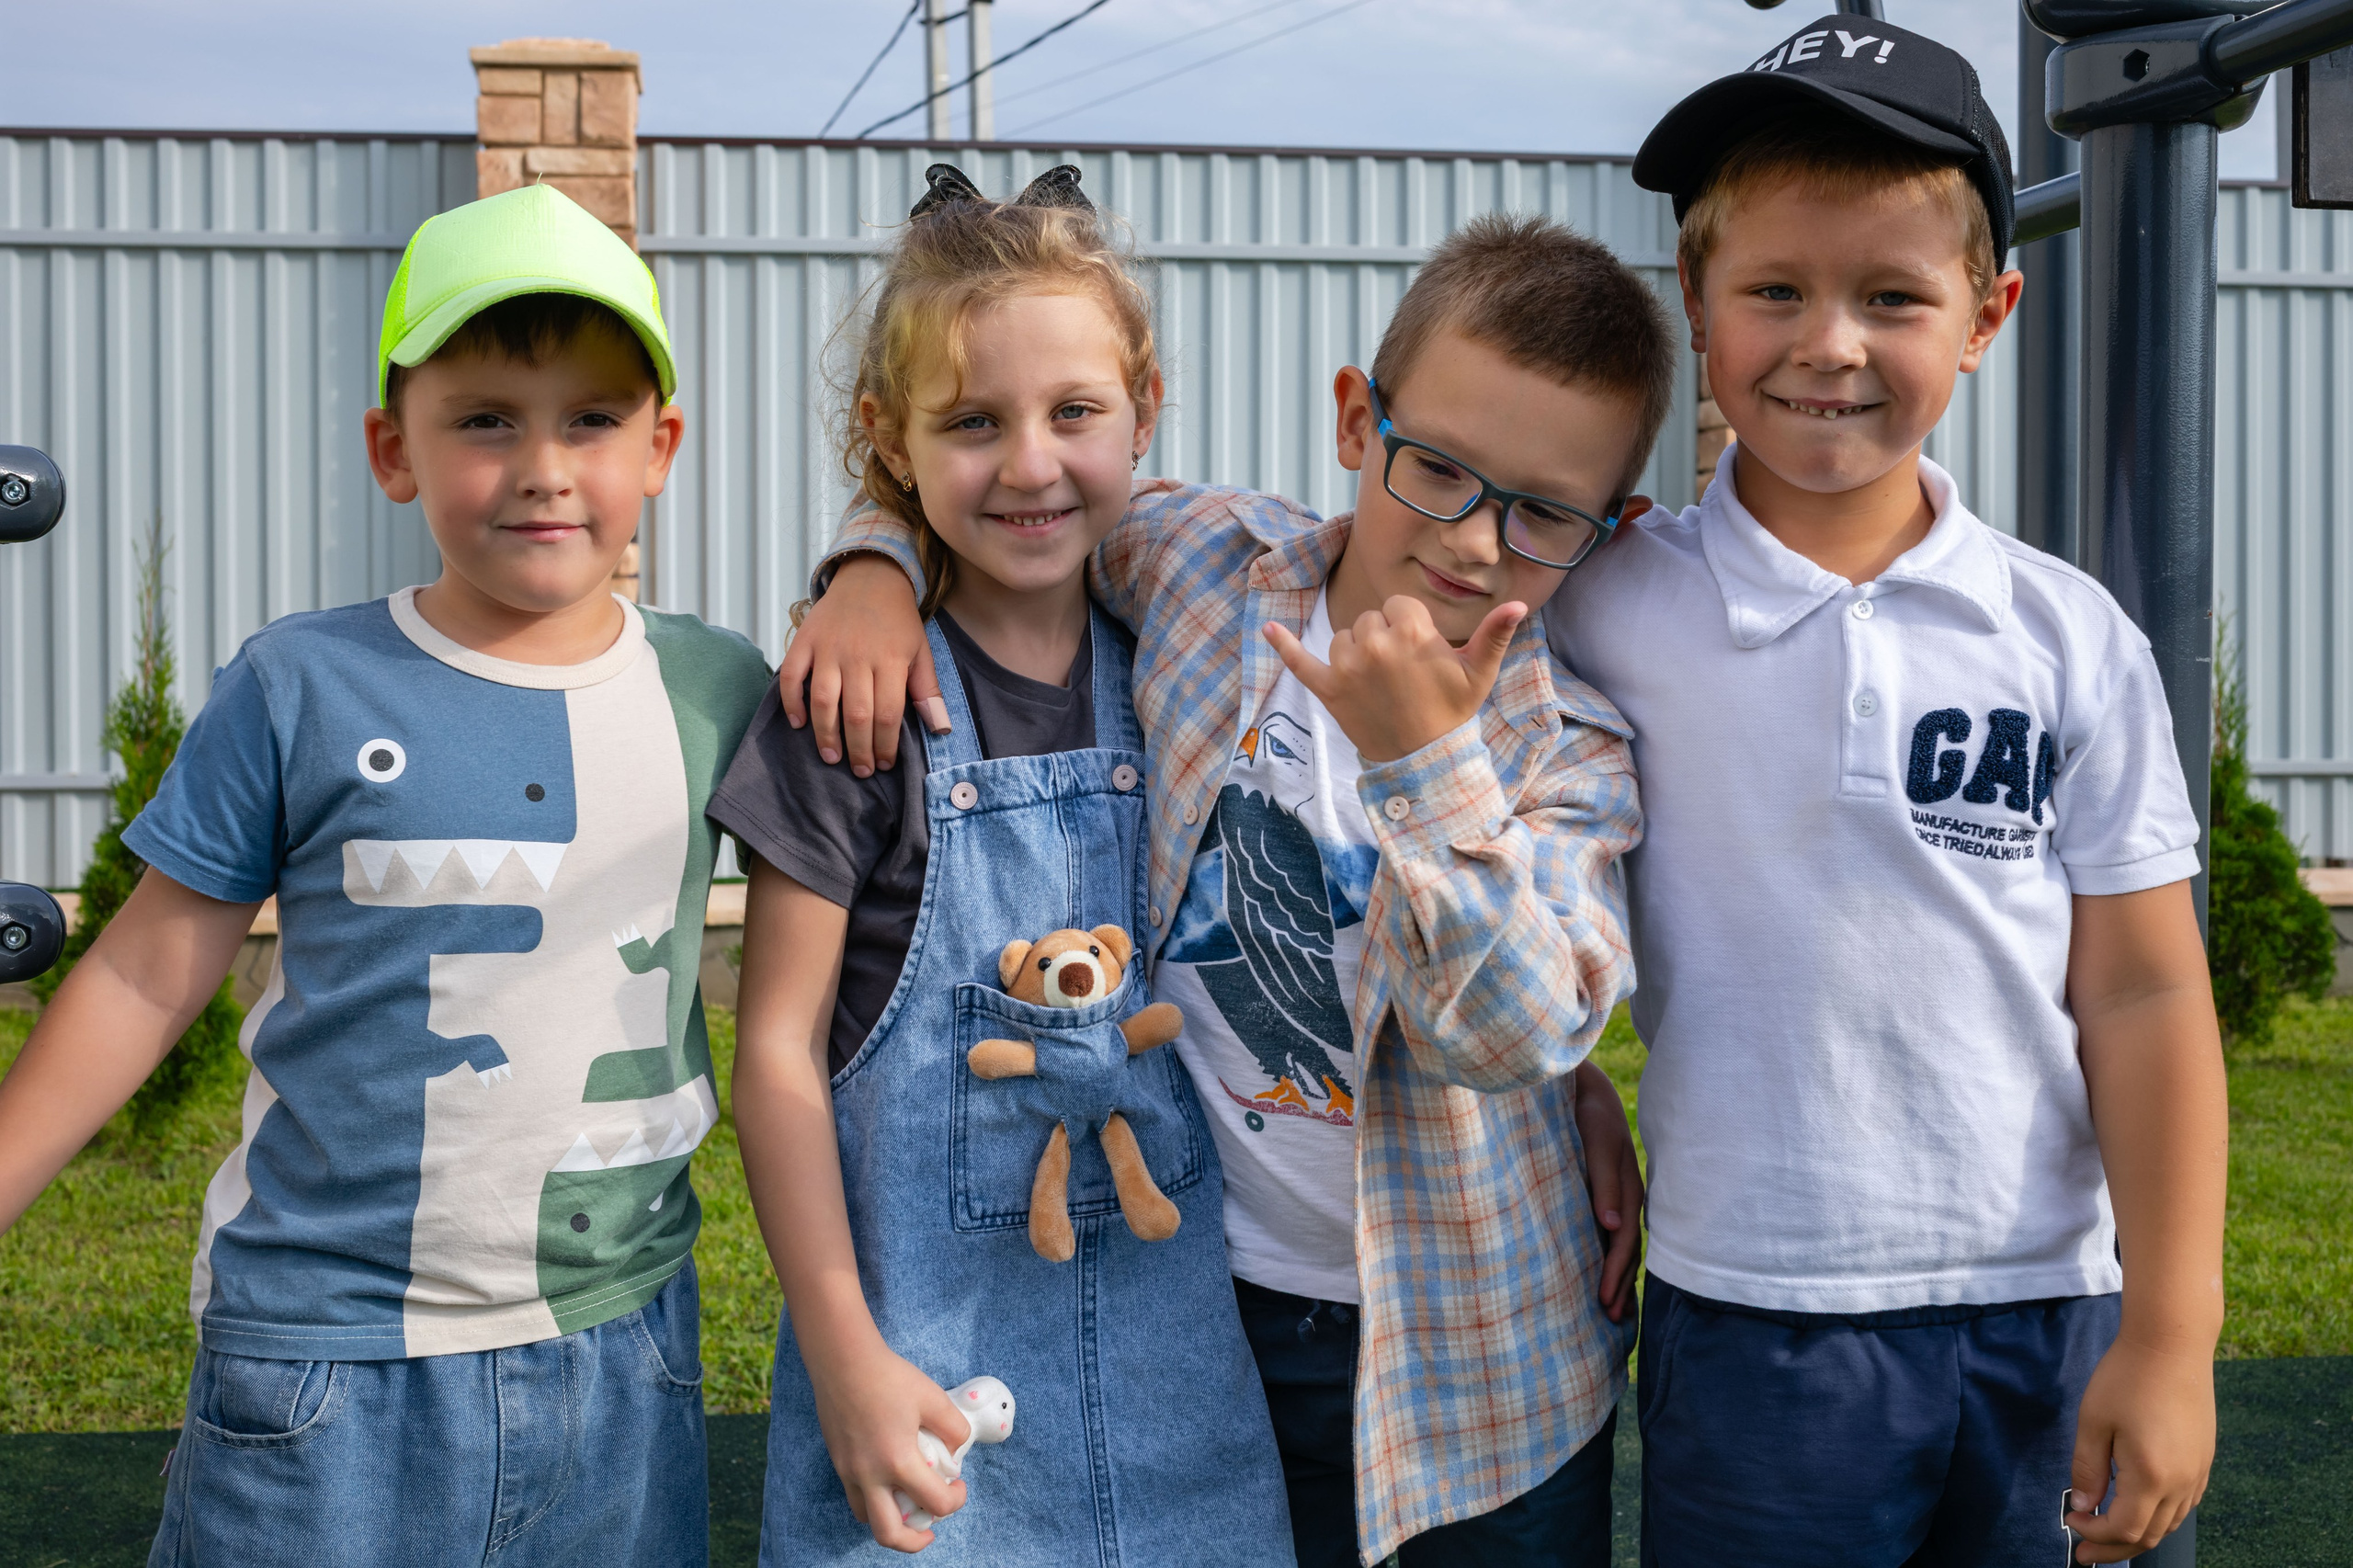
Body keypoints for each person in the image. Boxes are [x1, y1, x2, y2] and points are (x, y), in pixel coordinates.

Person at [782, 209, 1671, 1568]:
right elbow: (1018, 476)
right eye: (1439, 468)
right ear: (1356, 420)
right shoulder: (1206, 566)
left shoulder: (1575, 753)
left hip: (1484, 1377)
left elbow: (1516, 1034)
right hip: (1210, 1325)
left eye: (1545, 511)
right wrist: (871, 569)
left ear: (1613, 527)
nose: (1479, 541)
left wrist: (1427, 765)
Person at [0, 184, 771, 1567]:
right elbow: (138, 967)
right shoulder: (300, 682)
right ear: (392, 449)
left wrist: (874, 575)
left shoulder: (719, 689)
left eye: (590, 419)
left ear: (660, 447)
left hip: (622, 1351)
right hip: (323, 1362)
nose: (544, 466)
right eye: (486, 418)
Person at [1547, 17, 2227, 1566]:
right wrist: (878, 568)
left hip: (2048, 1307)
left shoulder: (2068, 639)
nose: (1828, 341)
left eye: (1892, 297)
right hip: (1753, 1319)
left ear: (1988, 314)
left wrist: (2174, 1333)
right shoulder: (1604, 604)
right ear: (1699, 309)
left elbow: (2141, 992)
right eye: (1775, 288)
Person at [710, 164, 1292, 1566]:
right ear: (889, 441)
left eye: (1074, 413)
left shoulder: (1190, 665)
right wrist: (846, 1355)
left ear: (1143, 410)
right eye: (972, 422)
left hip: (1185, 1417)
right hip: (923, 1407)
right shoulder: (852, 713)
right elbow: (777, 1053)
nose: (1030, 464)